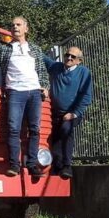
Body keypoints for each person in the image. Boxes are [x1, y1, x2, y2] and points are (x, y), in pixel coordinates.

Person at [0, 16, 50, 177]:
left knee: (35, 129)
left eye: (18, 25)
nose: (15, 27)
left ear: (26, 28)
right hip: (15, 92)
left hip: (34, 92)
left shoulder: (35, 49)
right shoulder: (4, 49)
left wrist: (46, 86)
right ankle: (14, 165)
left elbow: (42, 71)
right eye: (12, 25)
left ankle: (32, 164)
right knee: (13, 129)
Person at [43, 46, 92, 179]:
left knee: (66, 129)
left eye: (73, 57)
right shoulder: (57, 67)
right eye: (67, 55)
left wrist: (74, 113)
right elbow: (42, 58)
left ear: (79, 61)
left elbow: (86, 97)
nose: (69, 58)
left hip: (72, 112)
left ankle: (67, 165)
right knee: (52, 136)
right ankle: (56, 166)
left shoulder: (83, 72)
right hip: (54, 112)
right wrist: (25, 45)